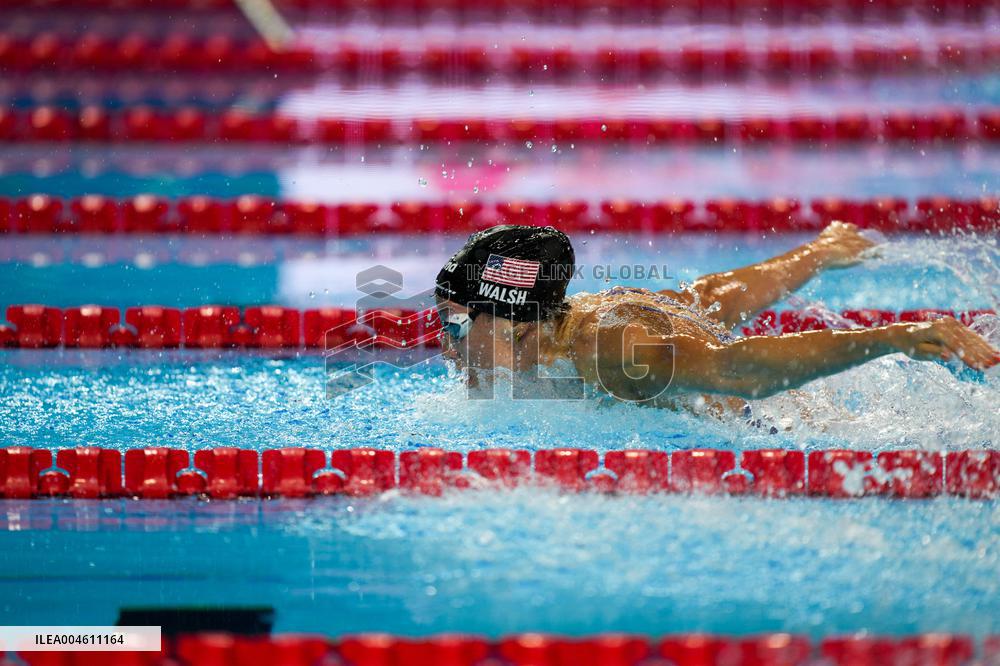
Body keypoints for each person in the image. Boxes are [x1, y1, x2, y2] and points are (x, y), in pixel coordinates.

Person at [434, 223, 999, 409]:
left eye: (457, 327)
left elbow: (737, 373)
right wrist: (818, 254)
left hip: (791, 432)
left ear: (519, 326)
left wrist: (894, 335)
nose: (447, 347)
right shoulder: (571, 320)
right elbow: (709, 299)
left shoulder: (607, 349)